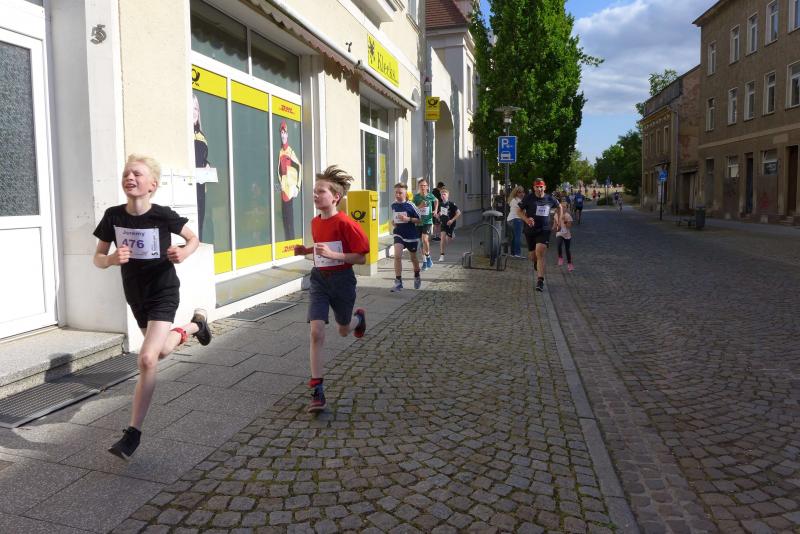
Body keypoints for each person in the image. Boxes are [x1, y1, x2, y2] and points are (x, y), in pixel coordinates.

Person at [93, 154, 212, 460]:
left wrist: (183, 252)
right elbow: (97, 258)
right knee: (161, 351)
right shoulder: (113, 217)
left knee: (147, 358)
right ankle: (195, 326)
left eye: (137, 174)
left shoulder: (162, 215)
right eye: (126, 173)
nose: (129, 178)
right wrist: (111, 259)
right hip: (136, 294)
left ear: (152, 185)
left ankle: (132, 434)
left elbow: (193, 239)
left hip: (163, 291)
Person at [293, 166, 368, 413]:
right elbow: (321, 248)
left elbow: (361, 258)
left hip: (343, 281)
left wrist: (335, 255)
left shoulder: (346, 223)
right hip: (319, 280)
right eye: (314, 191)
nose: (315, 195)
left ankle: (358, 320)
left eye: (321, 191)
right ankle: (318, 390)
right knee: (316, 332)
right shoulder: (315, 222)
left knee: (344, 329)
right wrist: (306, 251)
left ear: (335, 197)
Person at [518, 178, 563, 292]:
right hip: (530, 230)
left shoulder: (550, 198)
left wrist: (558, 221)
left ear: (545, 187)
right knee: (533, 256)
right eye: (537, 187)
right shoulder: (528, 198)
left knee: (540, 251)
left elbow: (560, 207)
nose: (539, 189)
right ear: (534, 188)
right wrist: (526, 219)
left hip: (544, 230)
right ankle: (536, 262)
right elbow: (519, 211)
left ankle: (540, 281)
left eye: (541, 187)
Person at [389, 183, 422, 291]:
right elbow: (395, 218)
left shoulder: (411, 205)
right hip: (399, 233)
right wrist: (393, 222)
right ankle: (398, 282)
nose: (397, 195)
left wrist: (408, 219)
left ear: (405, 193)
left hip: (411, 236)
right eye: (396, 192)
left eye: (400, 193)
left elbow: (419, 219)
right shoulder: (393, 205)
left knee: (413, 258)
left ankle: (417, 275)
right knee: (397, 256)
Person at [278, 120, 302, 239]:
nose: (283, 135)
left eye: (284, 133)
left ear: (287, 134)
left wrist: (297, 186)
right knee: (284, 216)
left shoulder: (290, 151)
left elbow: (298, 167)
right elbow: (279, 169)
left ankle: (291, 240)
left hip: (290, 188)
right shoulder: (280, 151)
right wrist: (280, 183)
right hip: (283, 188)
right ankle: (287, 239)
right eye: (281, 133)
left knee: (289, 216)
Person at [192, 94, 209, 242]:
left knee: (200, 223)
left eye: (196, 108)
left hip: (201, 187)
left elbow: (203, 159)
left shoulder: (202, 136)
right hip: (189, 186)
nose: (194, 112)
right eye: (191, 108)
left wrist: (207, 164)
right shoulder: (185, 134)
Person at [413, 178, 438, 271]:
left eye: (424, 186)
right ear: (419, 187)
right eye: (421, 186)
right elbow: (413, 209)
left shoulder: (430, 195)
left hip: (427, 221)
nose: (423, 187)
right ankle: (425, 260)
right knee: (421, 242)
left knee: (425, 239)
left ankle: (427, 257)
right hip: (419, 222)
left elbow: (436, 201)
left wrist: (435, 210)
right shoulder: (416, 197)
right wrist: (421, 206)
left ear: (427, 187)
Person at [437, 188, 461, 261]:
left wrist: (452, 220)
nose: (443, 196)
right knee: (442, 239)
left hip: (451, 224)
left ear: (448, 195)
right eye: (442, 195)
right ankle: (442, 255)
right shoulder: (440, 204)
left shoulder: (451, 204)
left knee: (448, 239)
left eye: (444, 194)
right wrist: (438, 215)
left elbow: (458, 213)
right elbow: (439, 214)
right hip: (443, 224)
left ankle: (452, 234)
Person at [506, 185, 525, 257]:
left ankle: (513, 253)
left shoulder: (513, 200)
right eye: (519, 192)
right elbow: (523, 211)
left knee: (514, 237)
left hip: (510, 220)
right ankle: (517, 253)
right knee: (517, 237)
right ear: (516, 193)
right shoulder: (518, 201)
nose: (521, 194)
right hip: (516, 220)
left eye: (522, 192)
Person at [555, 205, 574, 272]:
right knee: (559, 244)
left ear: (566, 209)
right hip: (559, 233)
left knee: (567, 250)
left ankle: (569, 264)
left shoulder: (568, 216)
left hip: (567, 234)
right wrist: (553, 227)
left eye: (564, 207)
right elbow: (555, 224)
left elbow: (569, 226)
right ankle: (560, 257)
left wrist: (565, 220)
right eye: (561, 207)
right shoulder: (556, 215)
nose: (562, 209)